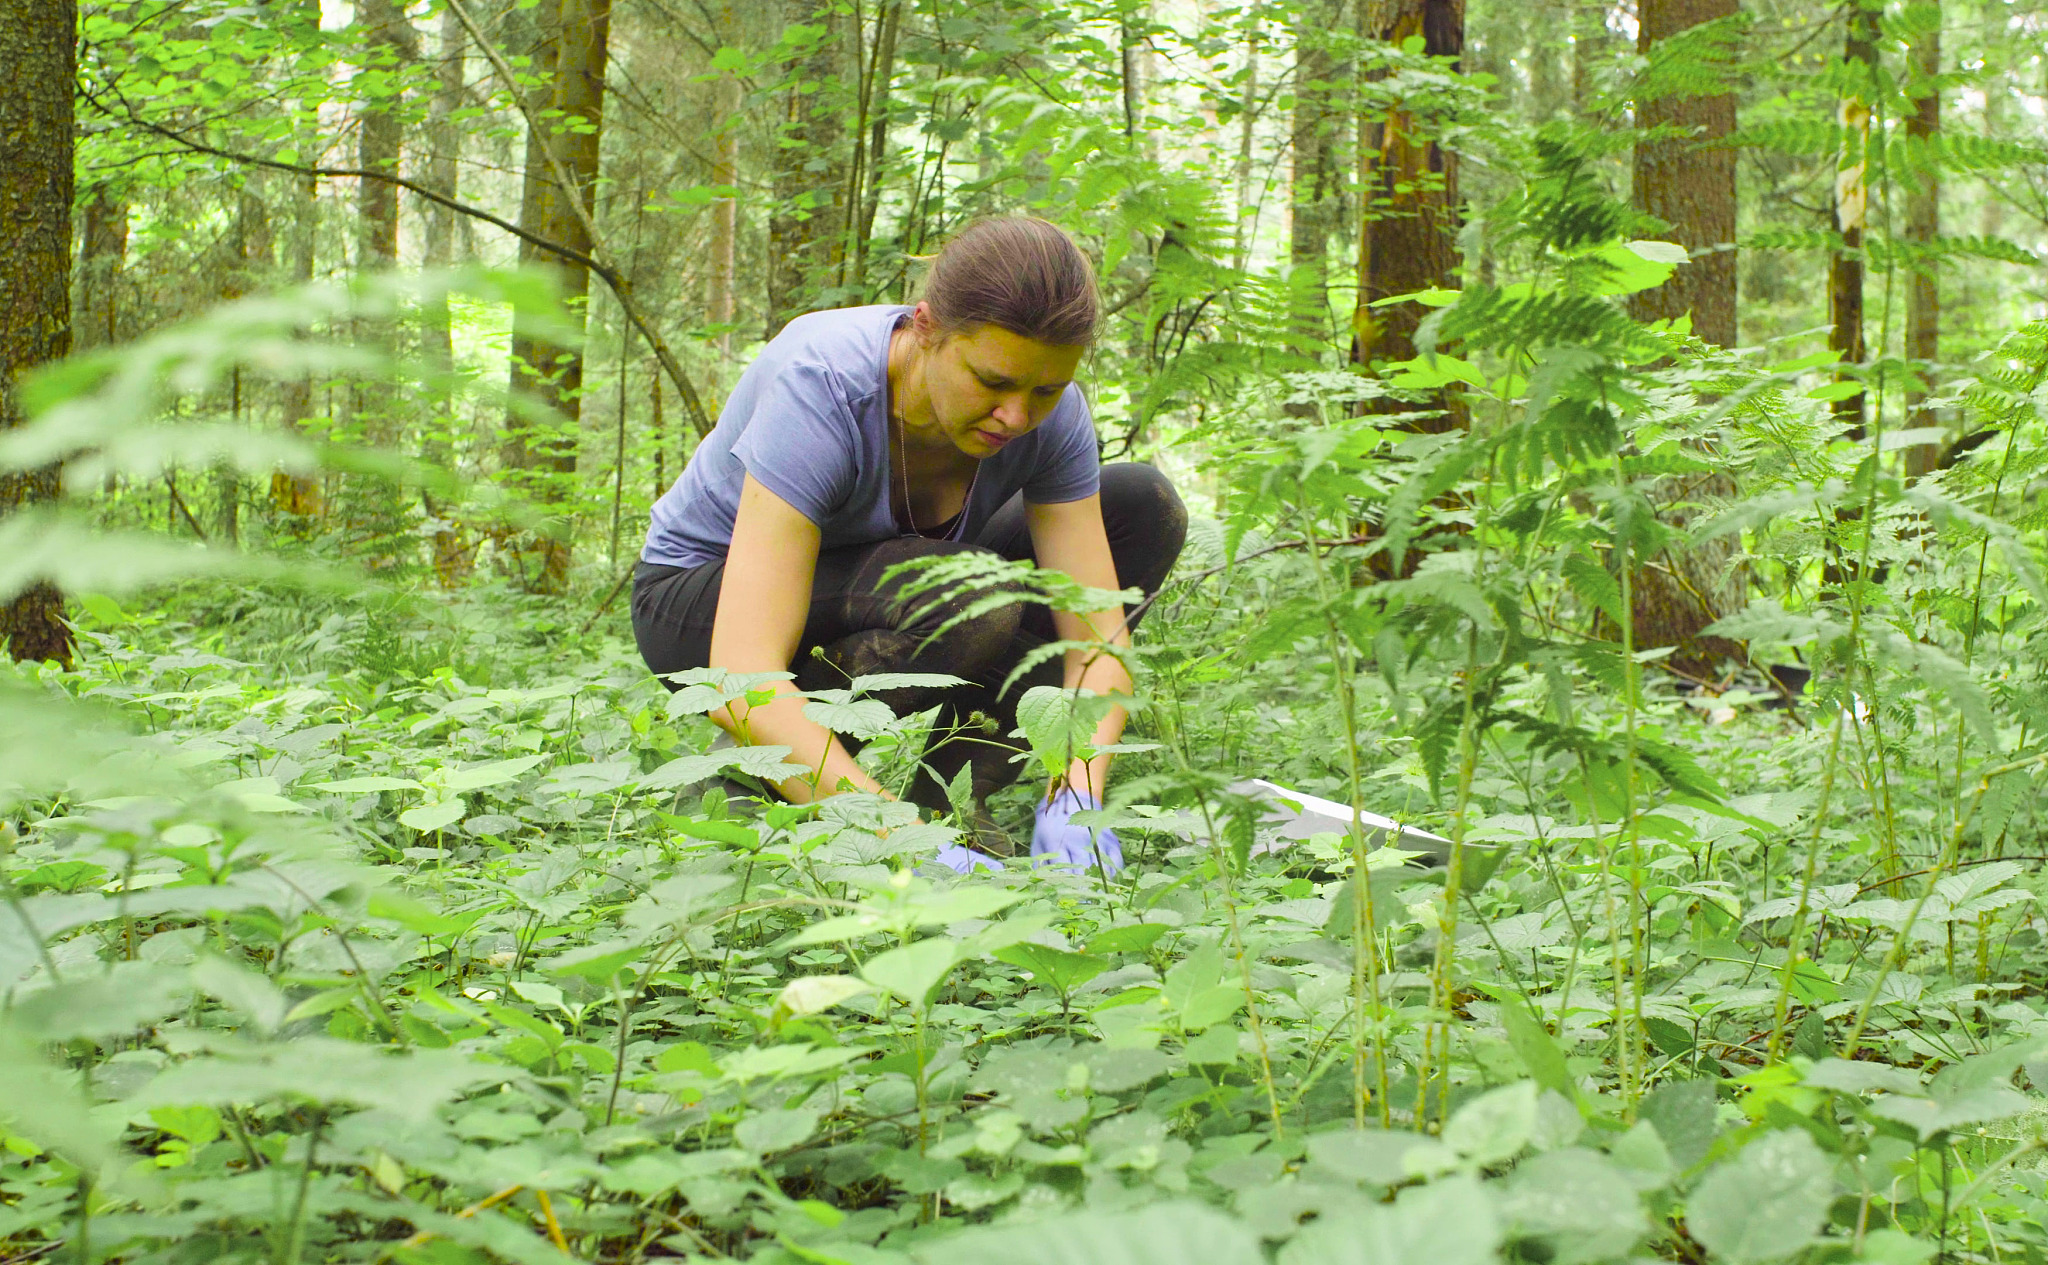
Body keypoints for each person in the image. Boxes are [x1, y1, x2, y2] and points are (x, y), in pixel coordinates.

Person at [630, 216, 1186, 872]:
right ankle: (762, 778)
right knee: (970, 595)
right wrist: (892, 836)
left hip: (893, 574)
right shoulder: (824, 384)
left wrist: (1078, 789)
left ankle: (955, 804)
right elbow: (740, 673)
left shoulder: (1050, 419)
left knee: (1139, 507)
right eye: (993, 382)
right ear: (925, 328)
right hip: (700, 601)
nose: (1017, 416)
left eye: (1045, 389)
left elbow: (1096, 640)